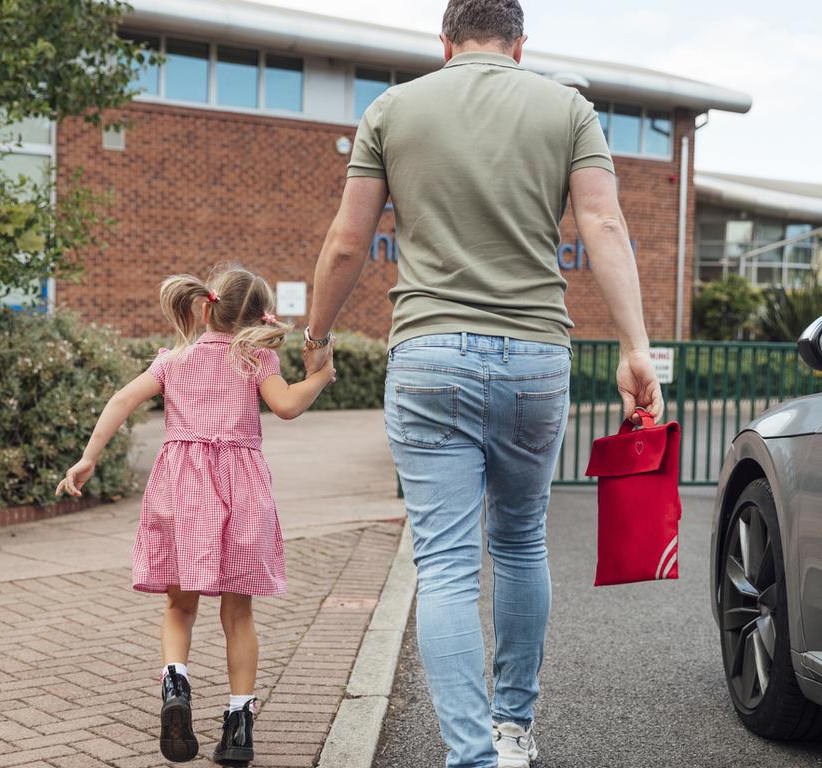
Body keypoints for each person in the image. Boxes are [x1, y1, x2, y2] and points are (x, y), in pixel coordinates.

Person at [301, 1, 665, 766]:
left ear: (444, 43)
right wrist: (635, 346)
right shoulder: (566, 109)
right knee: (520, 542)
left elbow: (344, 243)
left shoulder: (392, 110)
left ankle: (468, 757)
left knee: (443, 564)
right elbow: (602, 225)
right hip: (535, 354)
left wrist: (316, 337)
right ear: (519, 45)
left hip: (429, 356)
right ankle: (512, 732)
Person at [57, 265, 335, 766]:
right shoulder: (256, 357)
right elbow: (288, 406)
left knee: (180, 607)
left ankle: (176, 683)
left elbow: (122, 399)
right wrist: (319, 376)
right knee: (238, 614)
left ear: (206, 308)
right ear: (255, 317)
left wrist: (88, 456)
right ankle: (238, 726)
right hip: (240, 491)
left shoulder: (174, 359)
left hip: (181, 489)